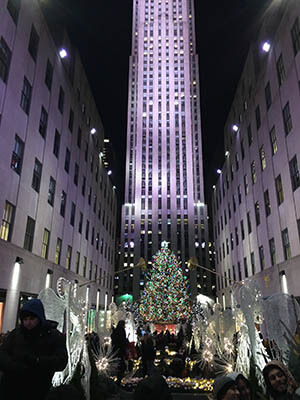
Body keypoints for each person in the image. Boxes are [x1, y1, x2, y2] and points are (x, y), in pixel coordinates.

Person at [0, 298, 68, 400]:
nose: (28, 322)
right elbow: (2, 354)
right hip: (10, 389)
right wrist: (13, 365)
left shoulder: (52, 336)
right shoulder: (16, 334)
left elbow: (61, 361)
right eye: (25, 319)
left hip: (37, 390)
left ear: (39, 318)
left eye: (32, 318)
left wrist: (37, 361)